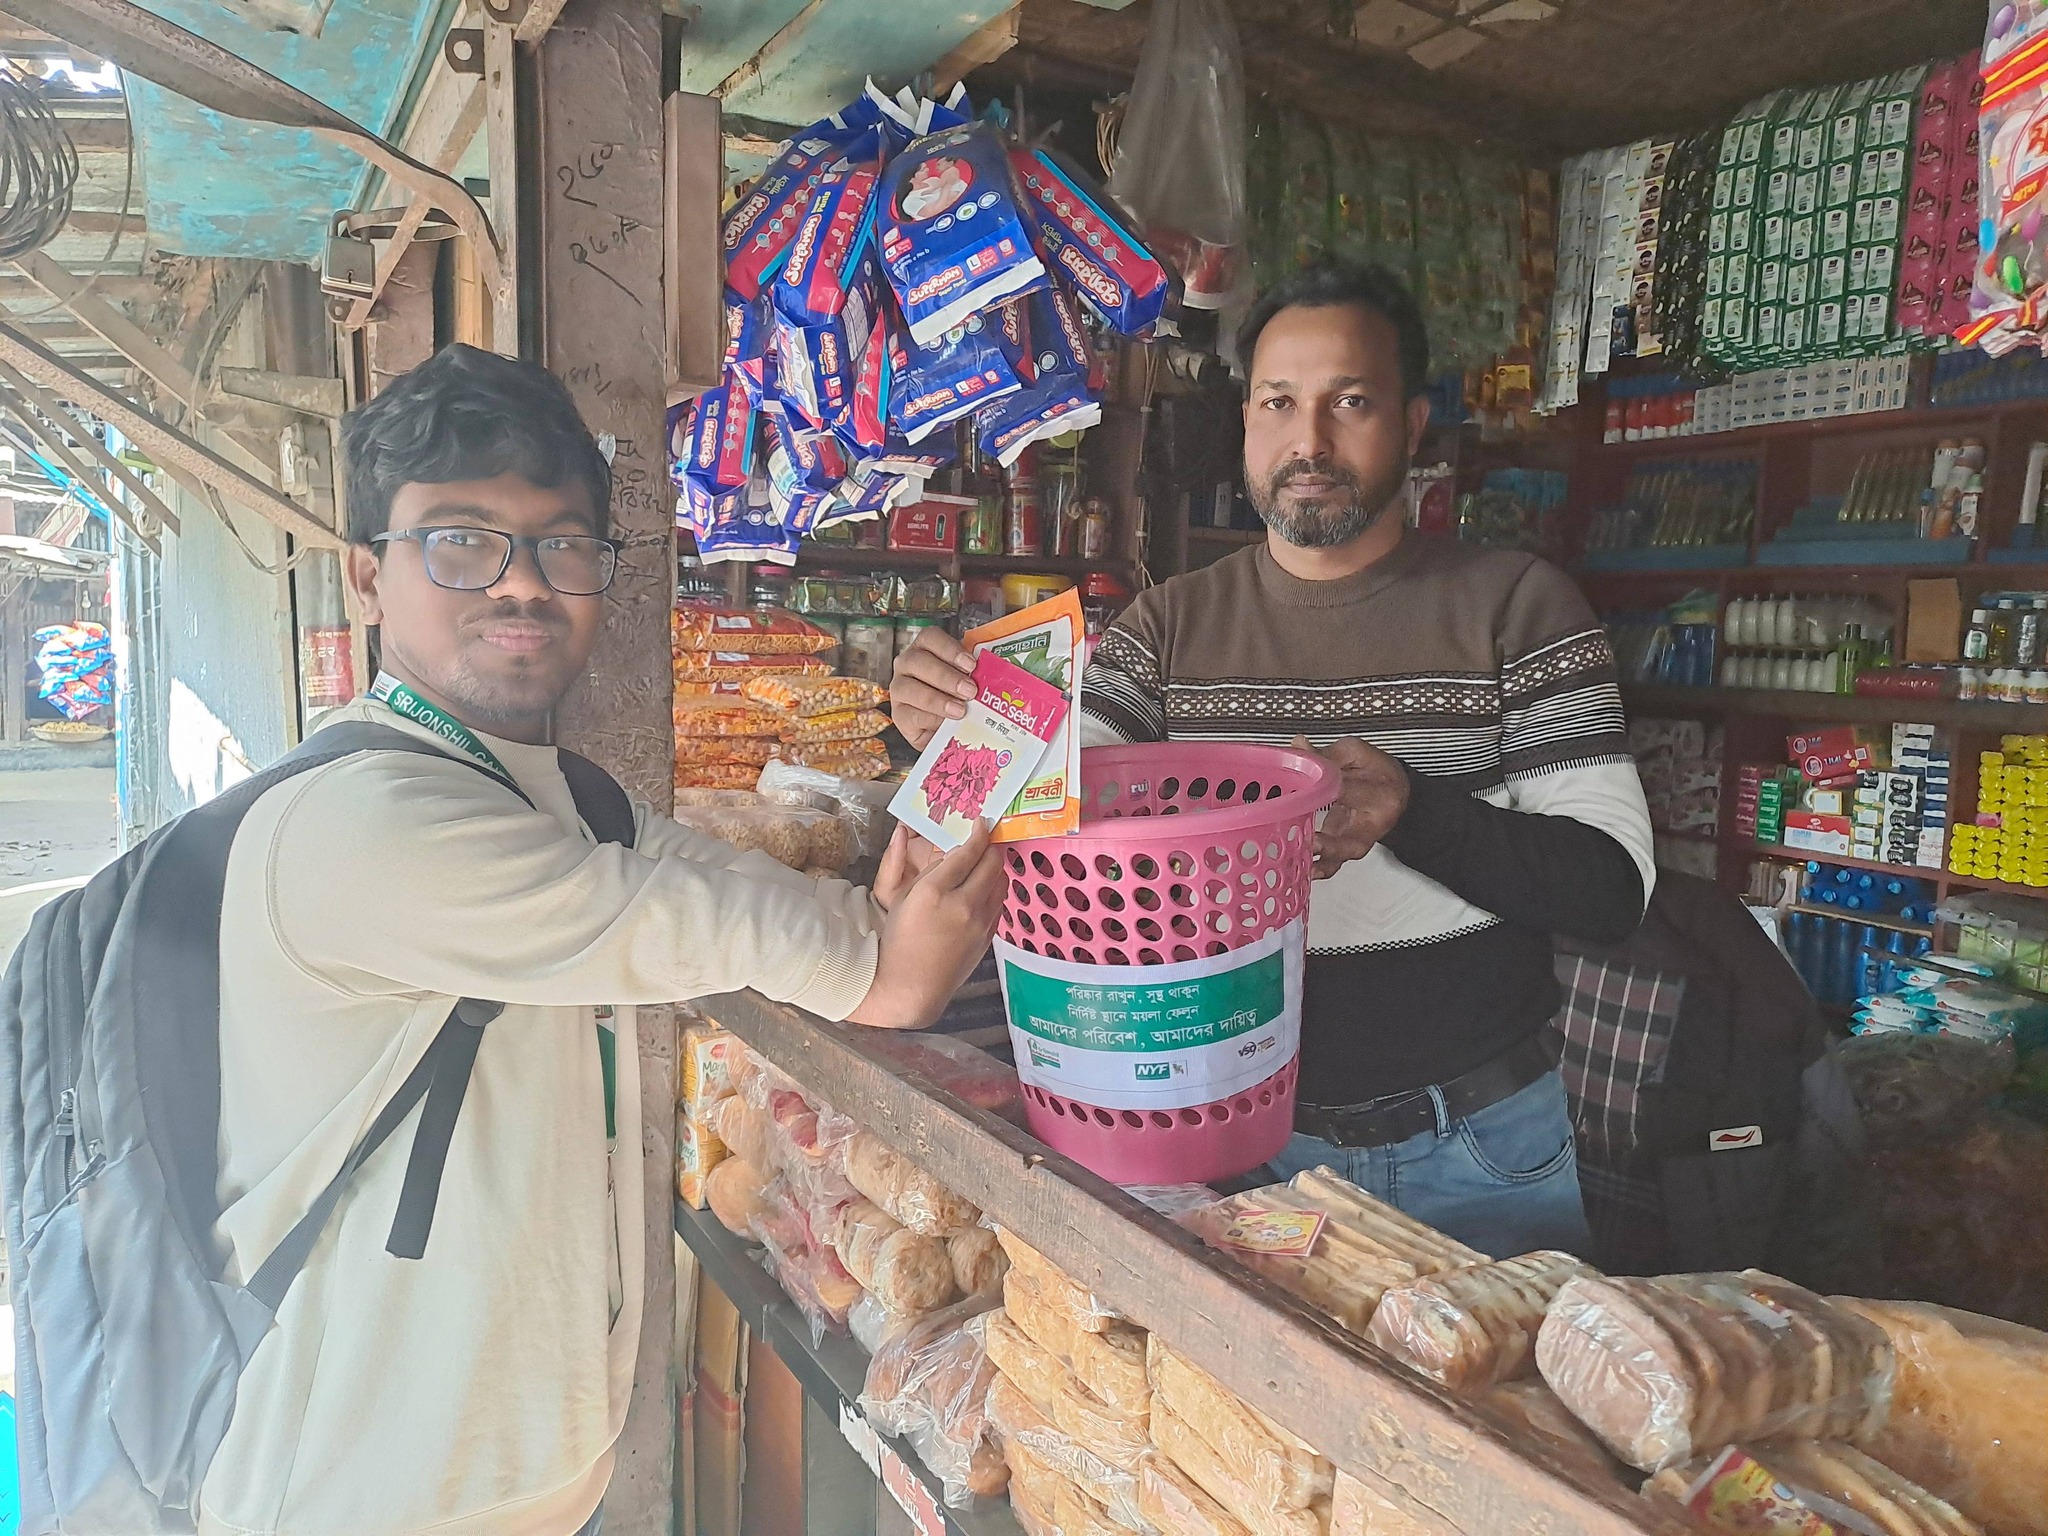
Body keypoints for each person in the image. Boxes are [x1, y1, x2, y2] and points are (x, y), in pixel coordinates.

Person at [202, 344, 1004, 1535]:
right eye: (461, 542)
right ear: (369, 578)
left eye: (561, 546)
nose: (520, 585)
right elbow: (670, 917)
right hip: (358, 1491)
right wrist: (879, 962)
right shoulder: (360, 822)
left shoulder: (554, 793)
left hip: (510, 1479)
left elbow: (720, 882)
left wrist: (877, 914)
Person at [892, 261, 1654, 1258]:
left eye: (1349, 402)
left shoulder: (1514, 606)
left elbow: (1610, 890)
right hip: (1237, 1149)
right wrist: (938, 724)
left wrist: (1414, 811)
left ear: (1412, 426)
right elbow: (1048, 798)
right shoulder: (1170, 625)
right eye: (1278, 403)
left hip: (1475, 1152)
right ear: (1245, 422)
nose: (1309, 443)